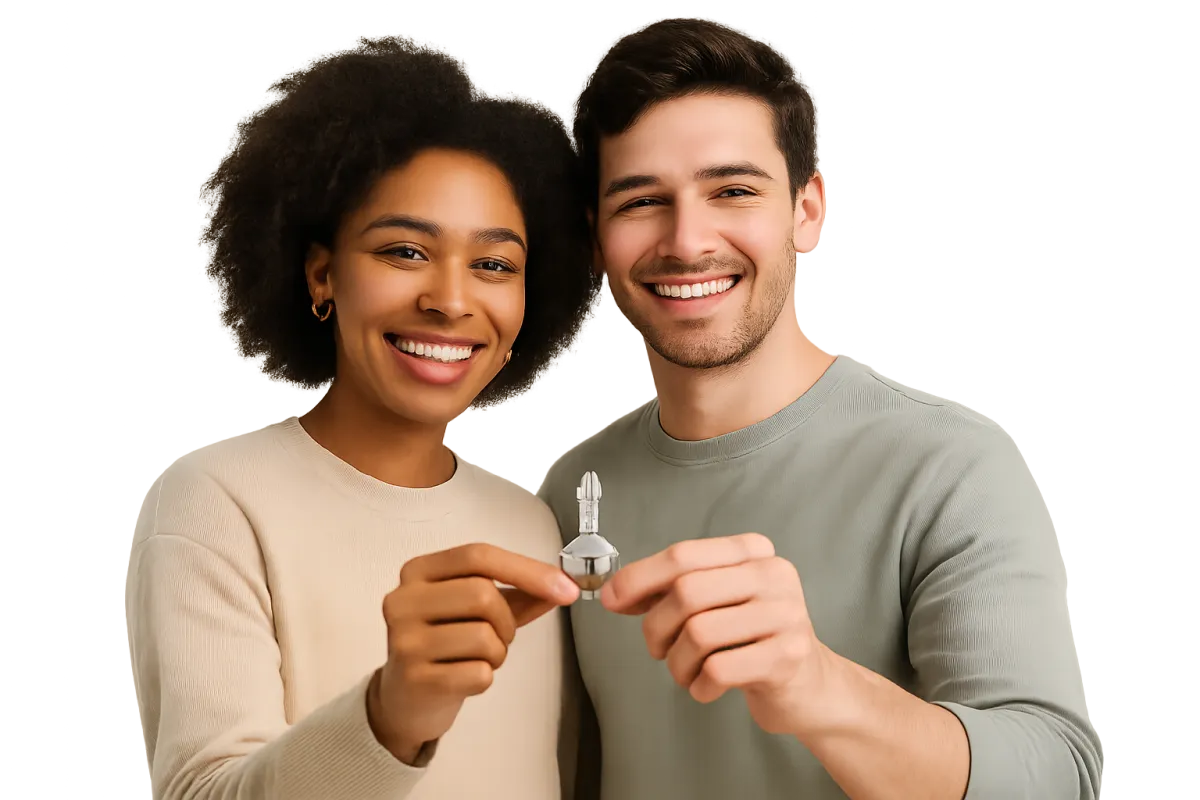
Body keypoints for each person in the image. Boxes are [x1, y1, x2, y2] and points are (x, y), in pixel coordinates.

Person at [537, 17, 1103, 800]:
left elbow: (1059, 777)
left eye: (732, 190)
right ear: (597, 238)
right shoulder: (570, 492)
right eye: (641, 200)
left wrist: (817, 685)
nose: (687, 238)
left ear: (807, 210)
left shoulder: (949, 466)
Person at [121, 36, 601, 800]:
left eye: (494, 264)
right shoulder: (217, 500)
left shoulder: (534, 527)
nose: (450, 299)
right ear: (322, 274)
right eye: (405, 251)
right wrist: (390, 717)